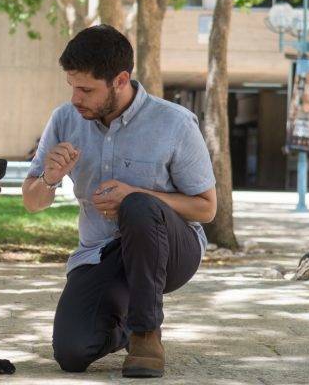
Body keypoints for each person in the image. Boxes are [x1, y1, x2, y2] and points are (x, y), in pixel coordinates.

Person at [21, 24, 217, 378]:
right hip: (102, 253)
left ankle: (146, 334)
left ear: (120, 80)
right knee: (72, 353)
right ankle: (125, 326)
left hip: (172, 250)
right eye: (72, 87)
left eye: (86, 89)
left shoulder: (174, 123)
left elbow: (206, 207)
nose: (75, 99)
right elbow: (33, 202)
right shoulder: (65, 119)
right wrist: (49, 178)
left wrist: (138, 194)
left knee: (139, 206)